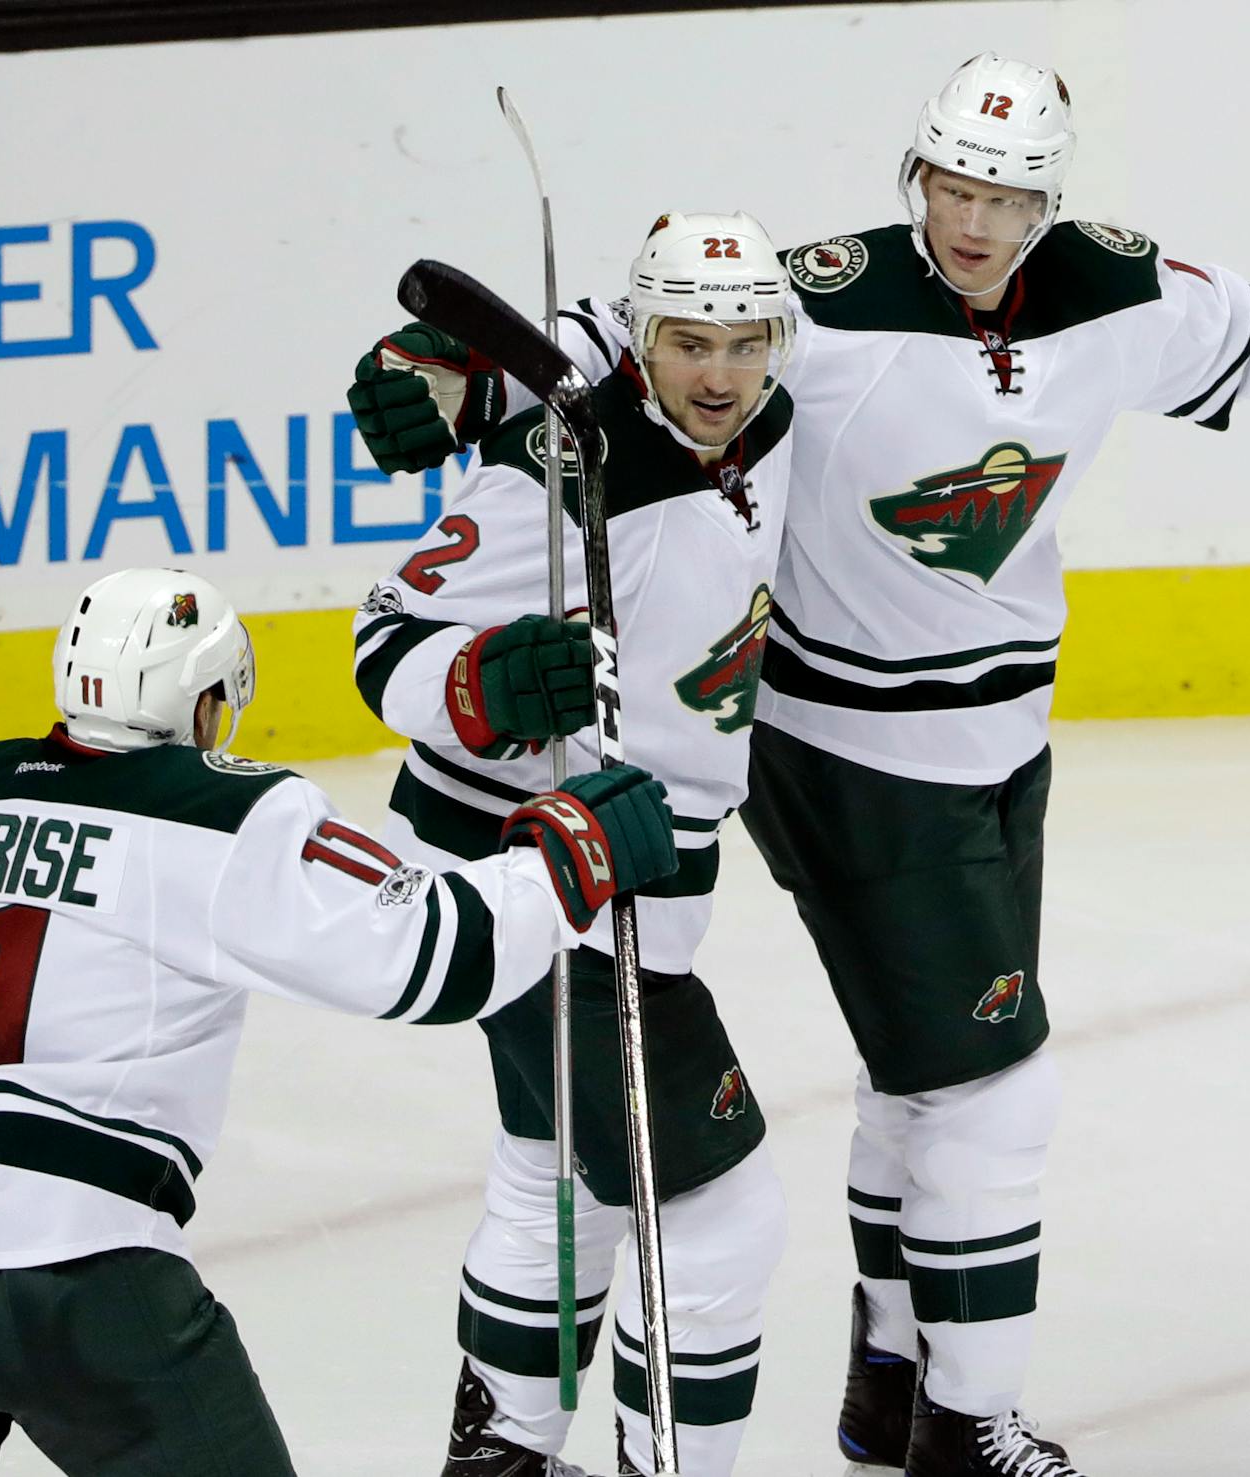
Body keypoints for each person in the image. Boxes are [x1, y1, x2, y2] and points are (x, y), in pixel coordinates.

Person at [347, 53, 1250, 1477]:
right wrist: (454, 368)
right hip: (853, 756)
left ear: (1050, 200)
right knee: (988, 1091)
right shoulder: (816, 306)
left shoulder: (1111, 286)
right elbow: (615, 336)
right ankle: (960, 1426)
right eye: (952, 186)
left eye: (1007, 195)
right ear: (916, 177)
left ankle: (881, 1396)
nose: (973, 222)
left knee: (902, 1091)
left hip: (992, 745)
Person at [0, 566, 677, 1477]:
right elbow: (428, 956)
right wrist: (567, 860)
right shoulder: (215, 804)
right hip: (81, 1272)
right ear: (206, 701)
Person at [349, 212, 797, 1477]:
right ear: (645, 342)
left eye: (746, 340)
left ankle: (499, 1456)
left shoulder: (765, 409)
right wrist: (485, 685)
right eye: (688, 342)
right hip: (540, 871)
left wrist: (478, 357)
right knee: (718, 1210)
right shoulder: (557, 474)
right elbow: (383, 640)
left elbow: (578, 327)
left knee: (557, 1172)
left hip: (615, 871)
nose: (718, 373)